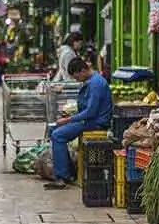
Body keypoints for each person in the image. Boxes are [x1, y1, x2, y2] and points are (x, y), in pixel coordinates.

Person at [44, 57, 113, 190]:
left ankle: (61, 177)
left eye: (76, 77)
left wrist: (68, 120)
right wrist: (71, 117)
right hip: (88, 120)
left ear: (82, 70)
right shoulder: (91, 81)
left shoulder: (96, 84)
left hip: (96, 122)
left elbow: (91, 112)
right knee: (53, 131)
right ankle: (67, 172)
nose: (77, 80)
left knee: (58, 135)